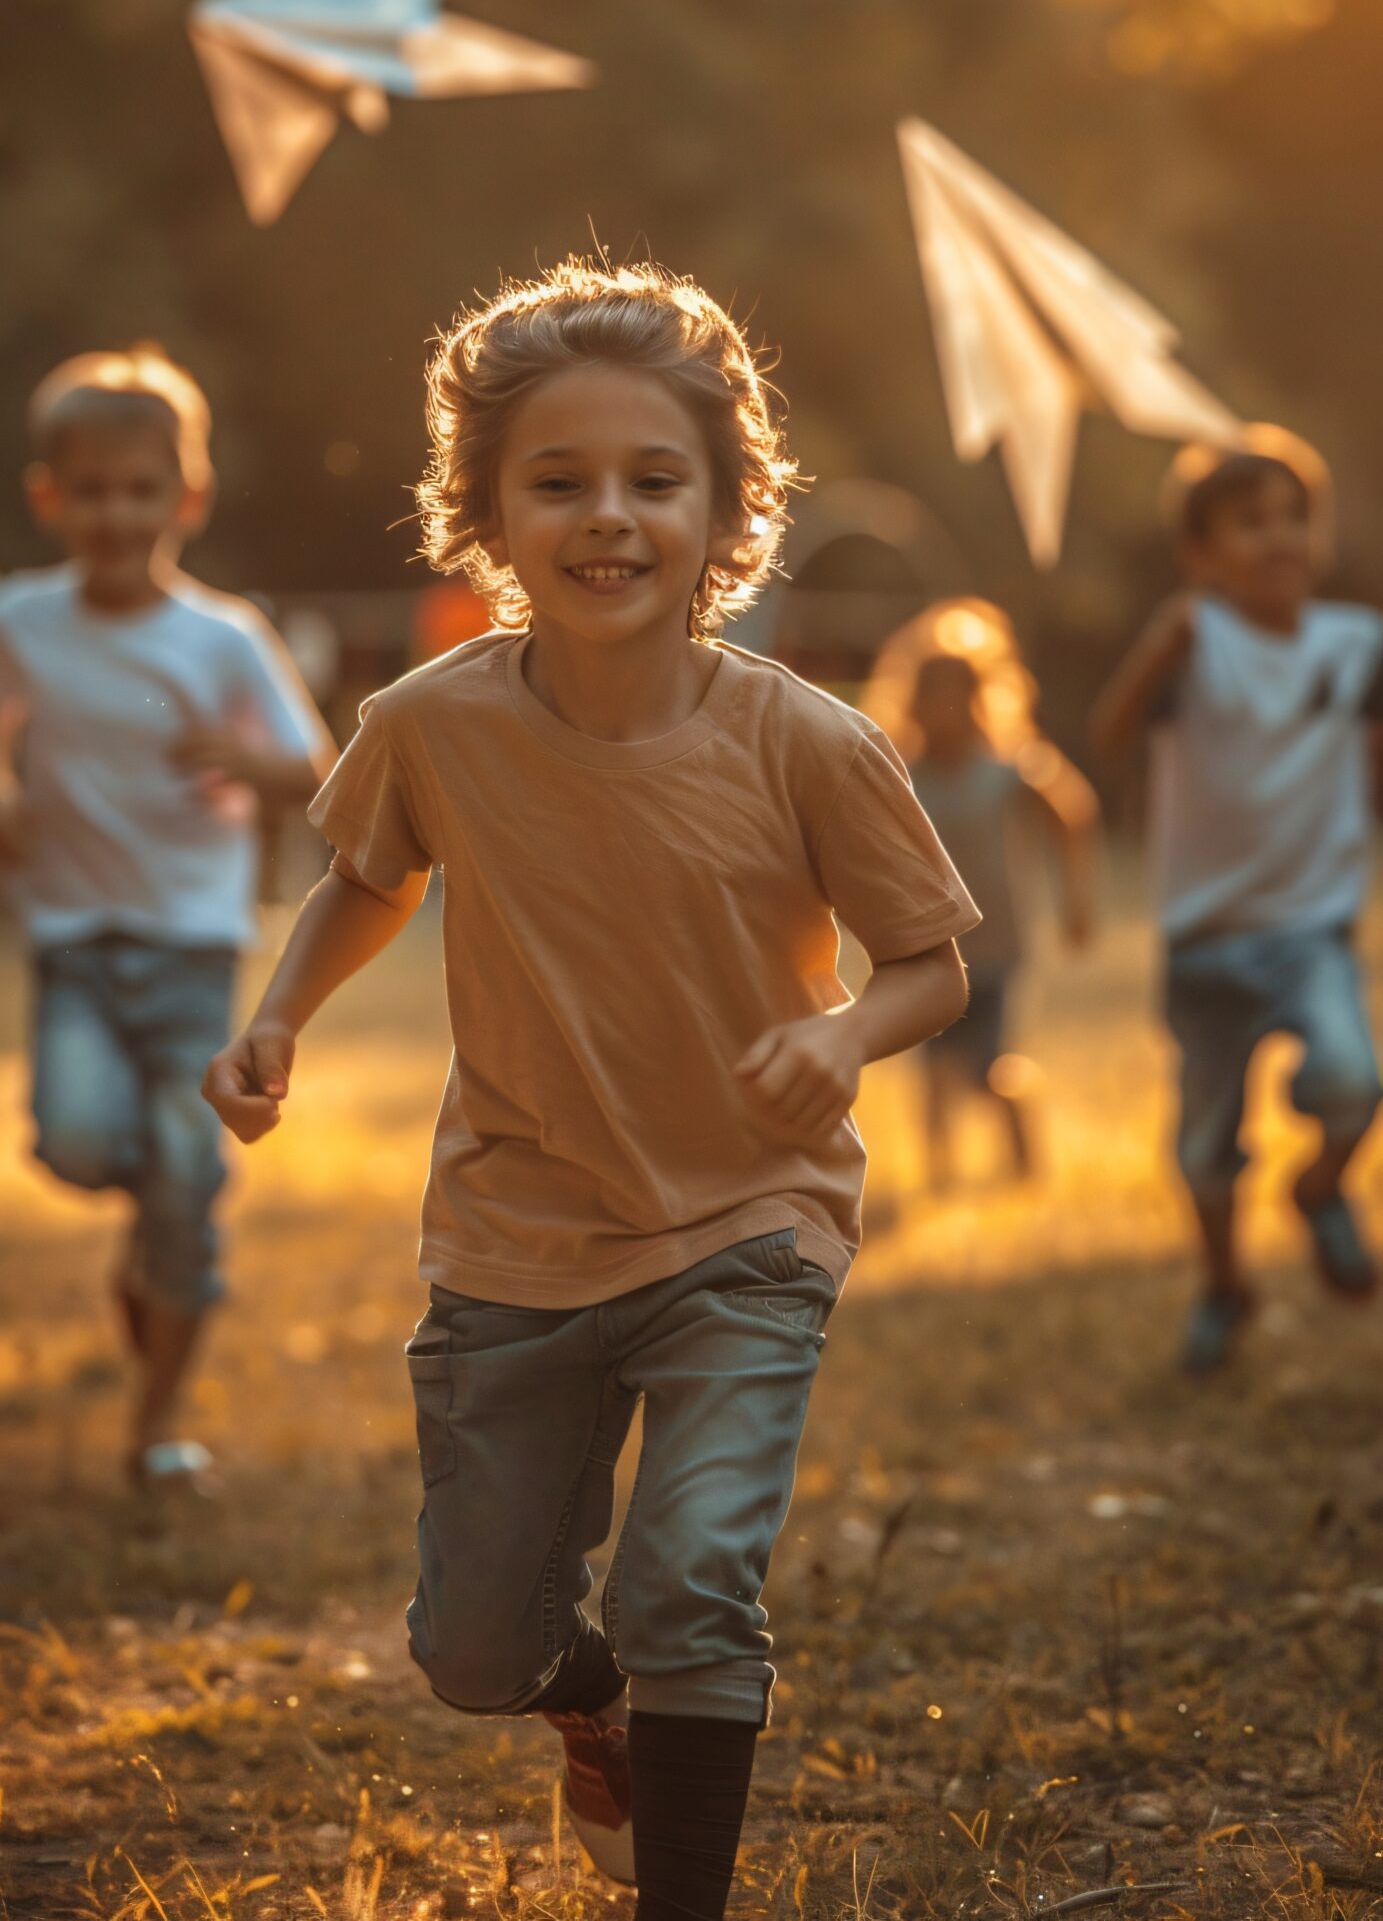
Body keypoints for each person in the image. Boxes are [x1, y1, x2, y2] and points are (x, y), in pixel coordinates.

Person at [203, 259, 978, 1921]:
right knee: (475, 1650)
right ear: (483, 508)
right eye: (556, 482)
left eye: (653, 480)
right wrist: (279, 1019)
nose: (606, 517)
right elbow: (367, 875)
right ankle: (587, 1701)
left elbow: (932, 966)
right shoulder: (430, 724)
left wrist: (840, 1035)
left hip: (748, 1229)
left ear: (725, 510)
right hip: (517, 1236)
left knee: (694, 1575)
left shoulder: (811, 744)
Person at [0, 346, 334, 1488]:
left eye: (141, 489)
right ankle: (152, 1217)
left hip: (190, 943)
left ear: (189, 496)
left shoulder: (221, 638)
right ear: (49, 497)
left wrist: (241, 755)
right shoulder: (21, 619)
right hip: (73, 938)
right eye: (91, 490)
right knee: (74, 1138)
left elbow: (316, 769)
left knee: (188, 1173)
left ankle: (156, 1422)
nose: (116, 513)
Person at [1090, 434, 1383, 1375]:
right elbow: (1109, 733)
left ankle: (1318, 1189)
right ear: (1200, 556)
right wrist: (1155, 645)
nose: (1279, 537)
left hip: (1311, 927)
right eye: (1249, 523)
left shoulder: (1358, 645)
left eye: (1294, 518)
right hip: (1205, 936)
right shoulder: (1195, 642)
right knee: (1207, 1146)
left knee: (1351, 1083)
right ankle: (1223, 1285)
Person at [897, 639, 1098, 1188]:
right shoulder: (900, 774)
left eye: (956, 698)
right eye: (932, 698)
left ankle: (1024, 1165)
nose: (943, 712)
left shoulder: (1006, 771)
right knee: (935, 1069)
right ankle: (939, 1178)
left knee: (992, 1065)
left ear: (979, 700)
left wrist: (1076, 901)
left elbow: (1072, 816)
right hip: (928, 948)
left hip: (999, 945)